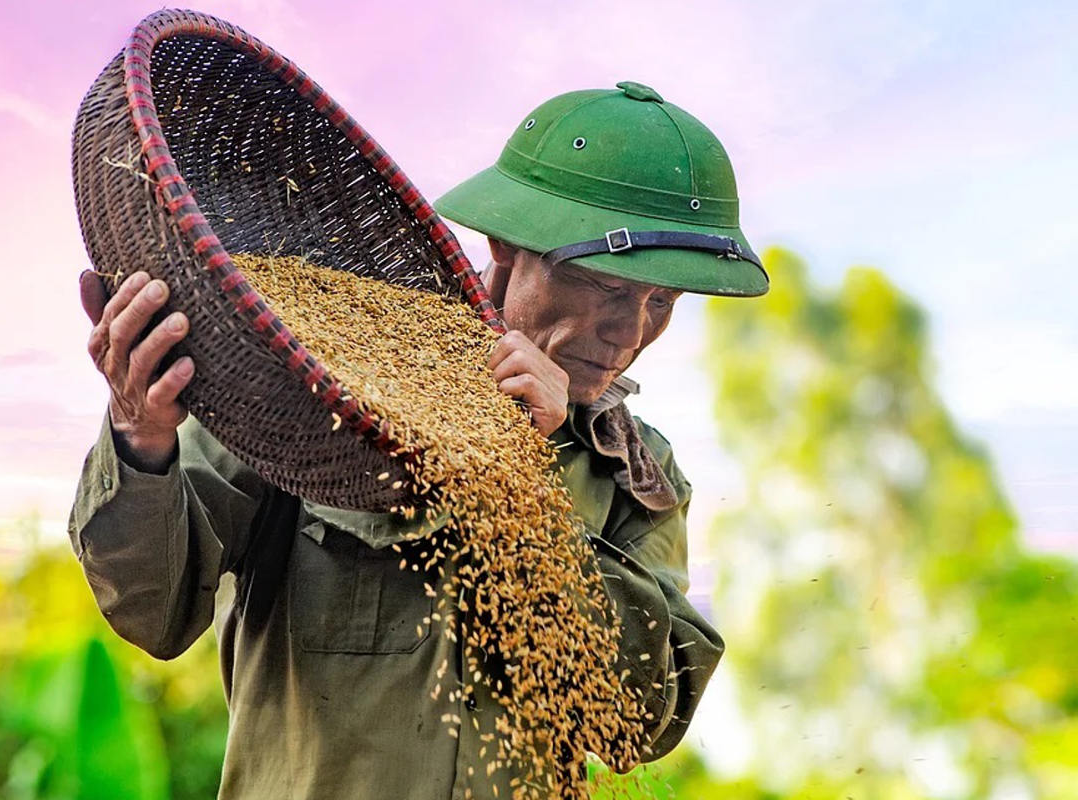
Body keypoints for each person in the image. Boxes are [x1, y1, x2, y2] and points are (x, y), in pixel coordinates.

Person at [69, 81, 768, 799]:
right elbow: (153, 612)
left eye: (663, 303)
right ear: (507, 244)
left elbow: (637, 722)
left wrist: (518, 478)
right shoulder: (323, 386)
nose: (631, 333)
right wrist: (139, 432)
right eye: (608, 287)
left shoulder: (637, 472)